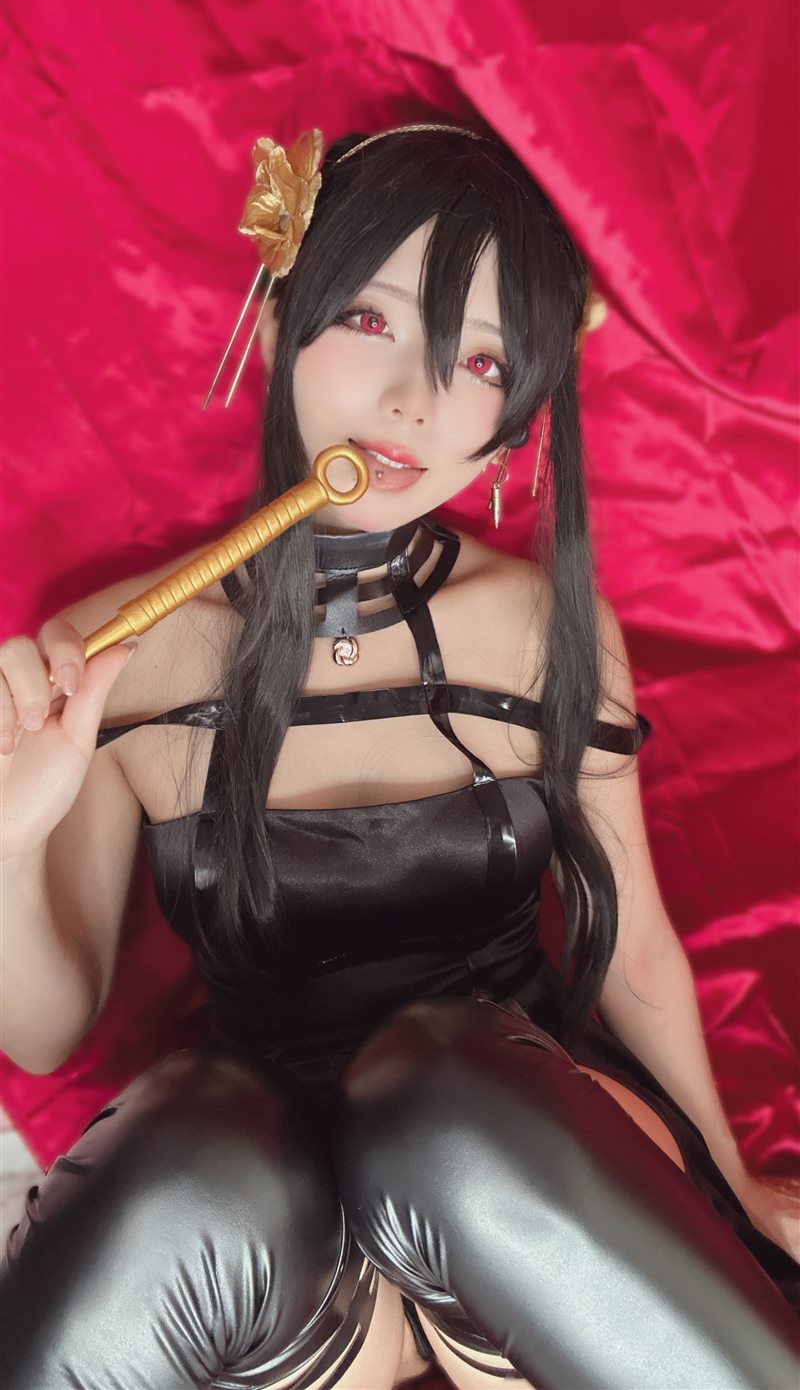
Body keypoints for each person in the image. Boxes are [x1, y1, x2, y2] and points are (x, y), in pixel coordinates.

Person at [0, 124, 797, 1390]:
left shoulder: (536, 624)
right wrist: (9, 833)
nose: (413, 400)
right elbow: (46, 1037)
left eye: (479, 359)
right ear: (277, 322)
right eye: (370, 321)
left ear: (514, 424)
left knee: (448, 1094)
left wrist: (731, 1182)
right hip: (278, 1221)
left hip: (515, 1173)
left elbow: (633, 941)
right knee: (185, 1167)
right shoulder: (118, 651)